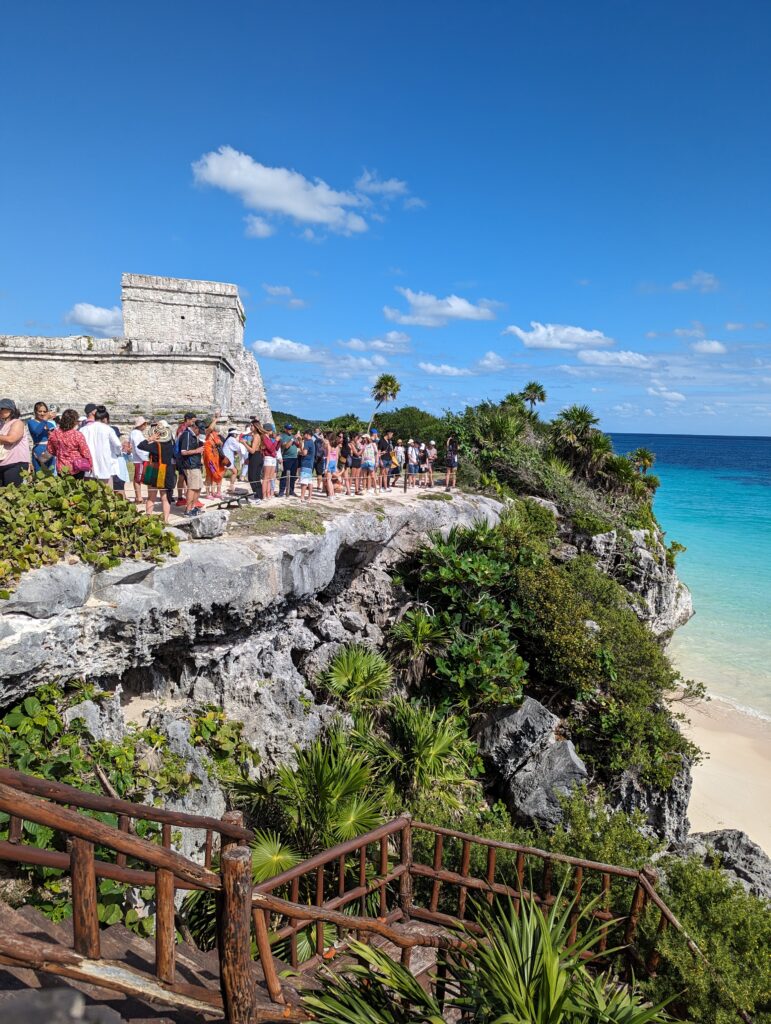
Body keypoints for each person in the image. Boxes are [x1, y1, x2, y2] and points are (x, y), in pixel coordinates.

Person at [139, 421, 177, 523]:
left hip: (155, 470)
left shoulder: (155, 446)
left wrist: (150, 439)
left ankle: (147, 518)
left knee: (151, 497)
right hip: (167, 470)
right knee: (165, 497)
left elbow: (141, 445)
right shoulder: (170, 444)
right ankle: (166, 520)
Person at [81, 405, 122, 485]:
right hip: (104, 463)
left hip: (88, 463)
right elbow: (117, 444)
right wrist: (117, 454)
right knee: (106, 491)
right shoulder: (108, 429)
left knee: (89, 491)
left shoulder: (83, 429)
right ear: (105, 419)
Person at [46, 409, 92, 477]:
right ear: (74, 421)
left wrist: (60, 453)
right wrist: (90, 464)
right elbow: (85, 452)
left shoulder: (54, 434)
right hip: (76, 467)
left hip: (61, 468)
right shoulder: (77, 435)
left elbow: (50, 450)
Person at [0, 398, 31, 487]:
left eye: (3, 409)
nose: (1, 411)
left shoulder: (17, 423)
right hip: (3, 463)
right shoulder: (2, 425)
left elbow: (11, 439)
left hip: (15, 464)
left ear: (11, 410)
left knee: (14, 495)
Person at [178, 417, 205, 515]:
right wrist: (197, 451)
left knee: (198, 487)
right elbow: (183, 452)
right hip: (190, 465)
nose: (200, 433)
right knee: (192, 487)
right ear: (195, 428)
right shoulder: (187, 435)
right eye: (199, 431)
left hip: (196, 464)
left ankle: (193, 507)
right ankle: (188, 510)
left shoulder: (193, 435)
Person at [174, 412, 197, 507]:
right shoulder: (183, 429)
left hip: (182, 456)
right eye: (192, 421)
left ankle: (184, 496)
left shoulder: (184, 428)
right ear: (187, 419)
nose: (193, 423)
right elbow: (180, 443)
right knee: (183, 477)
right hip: (182, 457)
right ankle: (181, 497)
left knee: (184, 477)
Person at [27, 402, 56, 473]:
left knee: (51, 476)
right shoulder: (31, 422)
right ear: (35, 412)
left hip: (50, 451)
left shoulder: (50, 424)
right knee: (39, 475)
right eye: (40, 411)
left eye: (44, 411)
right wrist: (45, 419)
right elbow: (37, 432)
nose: (42, 413)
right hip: (39, 451)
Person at [203, 417, 227, 500]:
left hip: (216, 456)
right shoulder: (206, 432)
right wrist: (215, 419)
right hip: (209, 457)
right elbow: (210, 428)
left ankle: (214, 492)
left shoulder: (214, 434)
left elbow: (220, 442)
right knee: (209, 475)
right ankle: (207, 493)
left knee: (217, 473)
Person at [242, 417, 264, 501]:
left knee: (252, 477)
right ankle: (259, 495)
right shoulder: (257, 435)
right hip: (257, 456)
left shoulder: (256, 436)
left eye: (252, 425)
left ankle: (257, 496)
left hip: (255, 456)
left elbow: (252, 450)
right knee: (256, 477)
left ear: (255, 426)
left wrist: (244, 443)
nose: (250, 427)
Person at [129, 417, 149, 503]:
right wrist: (145, 458)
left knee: (138, 477)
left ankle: (139, 496)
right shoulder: (136, 434)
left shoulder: (136, 433)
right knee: (138, 478)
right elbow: (138, 448)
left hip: (139, 458)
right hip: (140, 459)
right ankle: (139, 497)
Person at [223, 428, 246, 495]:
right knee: (222, 473)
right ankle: (215, 487)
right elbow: (238, 446)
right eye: (236, 434)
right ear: (234, 434)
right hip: (227, 459)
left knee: (234, 472)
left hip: (228, 459)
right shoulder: (231, 439)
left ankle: (231, 486)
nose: (237, 435)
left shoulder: (229, 439)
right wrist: (244, 443)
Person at [278, 423, 299, 497]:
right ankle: (281, 491)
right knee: (284, 475)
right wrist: (293, 439)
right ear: (285, 429)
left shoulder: (293, 436)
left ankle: (291, 491)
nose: (290, 430)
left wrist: (298, 438)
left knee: (293, 475)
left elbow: (298, 445)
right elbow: (286, 446)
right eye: (289, 429)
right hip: (287, 458)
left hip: (295, 458)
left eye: (291, 429)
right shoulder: (282, 436)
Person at [260, 423, 280, 500]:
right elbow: (271, 449)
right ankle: (264, 495)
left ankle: (268, 494)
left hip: (273, 458)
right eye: (271, 430)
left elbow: (276, 448)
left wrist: (278, 441)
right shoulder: (264, 437)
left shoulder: (268, 437)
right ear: (268, 430)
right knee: (266, 477)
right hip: (268, 458)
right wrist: (276, 440)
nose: (272, 432)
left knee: (270, 478)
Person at [298, 428, 315, 502]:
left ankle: (302, 497)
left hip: (306, 463)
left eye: (304, 434)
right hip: (310, 464)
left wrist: (300, 453)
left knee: (304, 481)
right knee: (310, 482)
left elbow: (304, 453)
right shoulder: (312, 442)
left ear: (307, 434)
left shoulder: (307, 442)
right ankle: (310, 497)